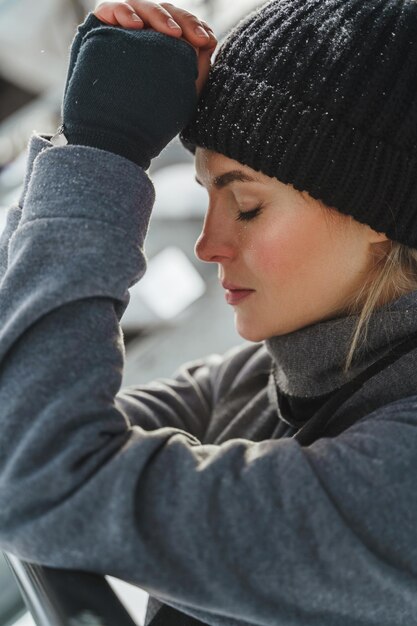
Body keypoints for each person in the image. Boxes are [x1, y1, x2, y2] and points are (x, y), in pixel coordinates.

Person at [0, 0, 417, 624]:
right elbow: (23, 419)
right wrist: (76, 143)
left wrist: (103, 152)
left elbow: (37, 470)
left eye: (246, 206)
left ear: (381, 217)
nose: (208, 244)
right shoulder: (259, 381)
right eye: (206, 196)